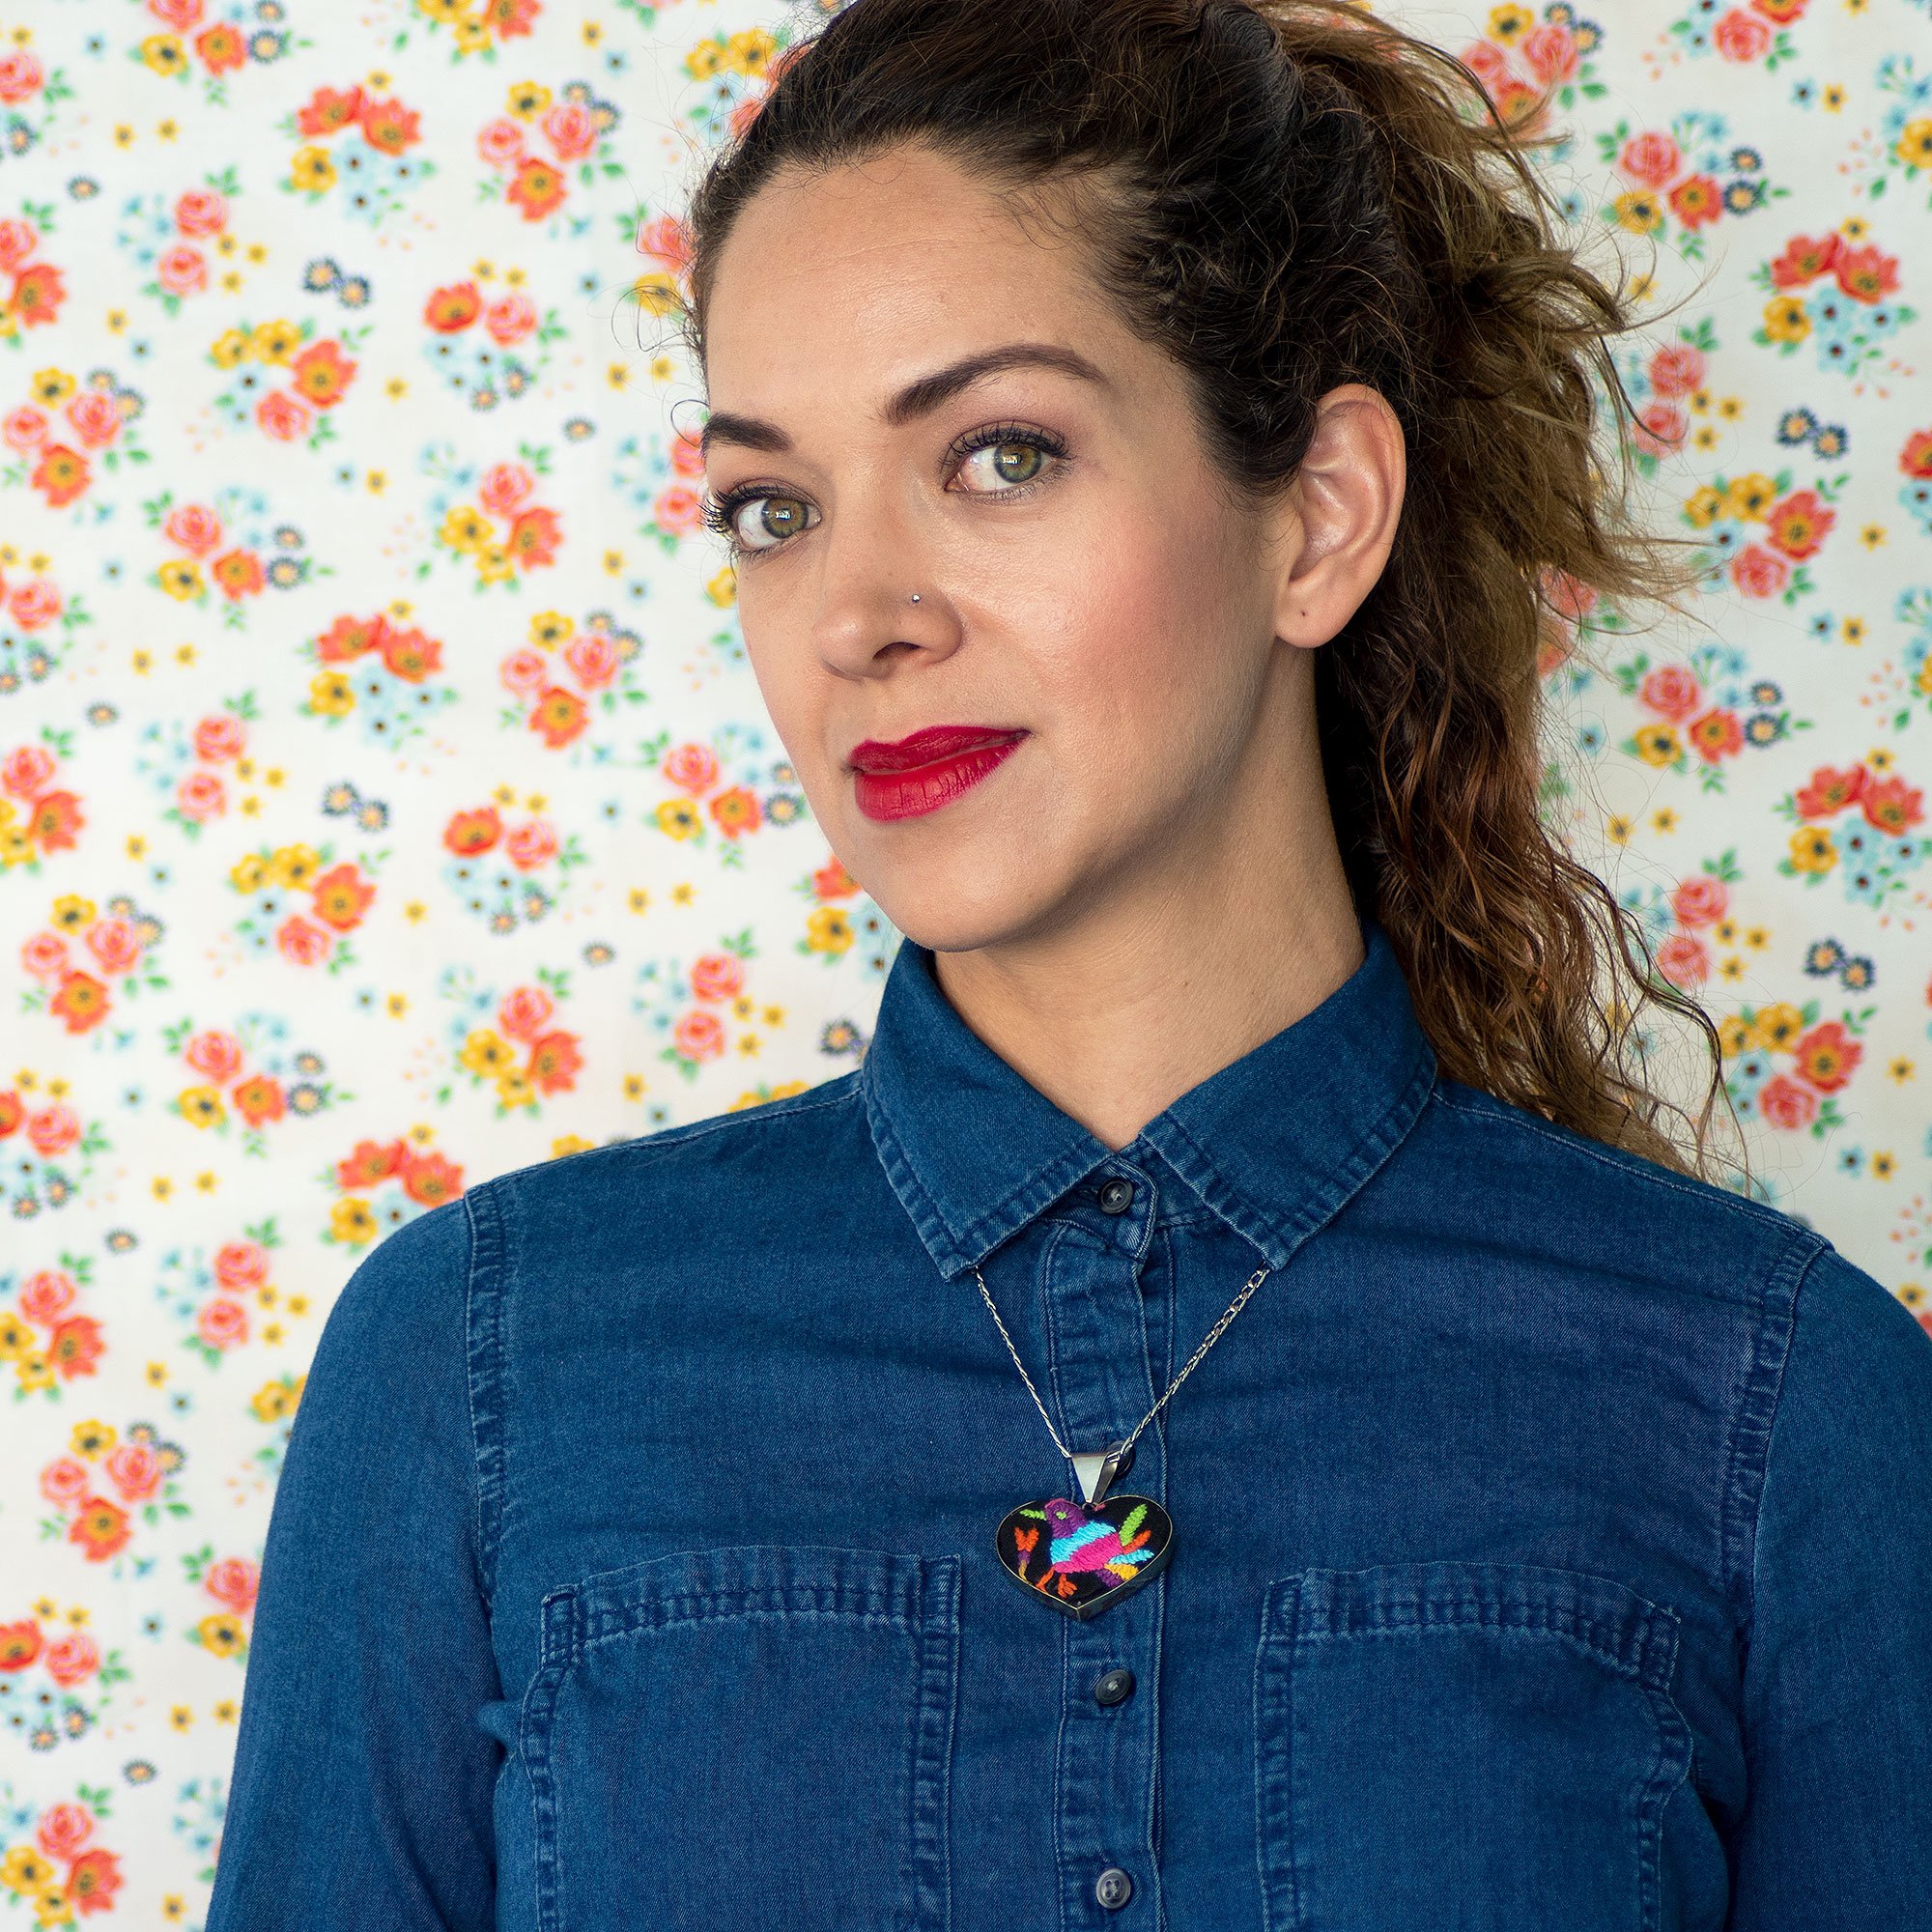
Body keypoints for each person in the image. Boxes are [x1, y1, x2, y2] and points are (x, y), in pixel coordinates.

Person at [203, 1, 1932, 1926]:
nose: (856, 615)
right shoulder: (480, 1366)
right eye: (772, 509)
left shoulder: (1778, 1405)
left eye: (1001, 455)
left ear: (1319, 518)